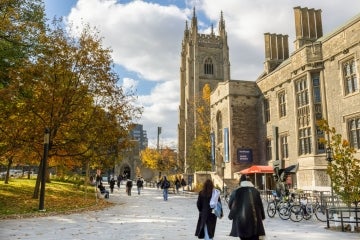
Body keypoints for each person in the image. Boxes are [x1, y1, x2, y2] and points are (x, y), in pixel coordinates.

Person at [228, 175, 265, 240]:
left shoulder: (237, 191)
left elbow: (231, 205)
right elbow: (260, 205)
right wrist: (262, 216)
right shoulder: (255, 191)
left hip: (241, 221)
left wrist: (231, 215)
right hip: (255, 221)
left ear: (240, 181)